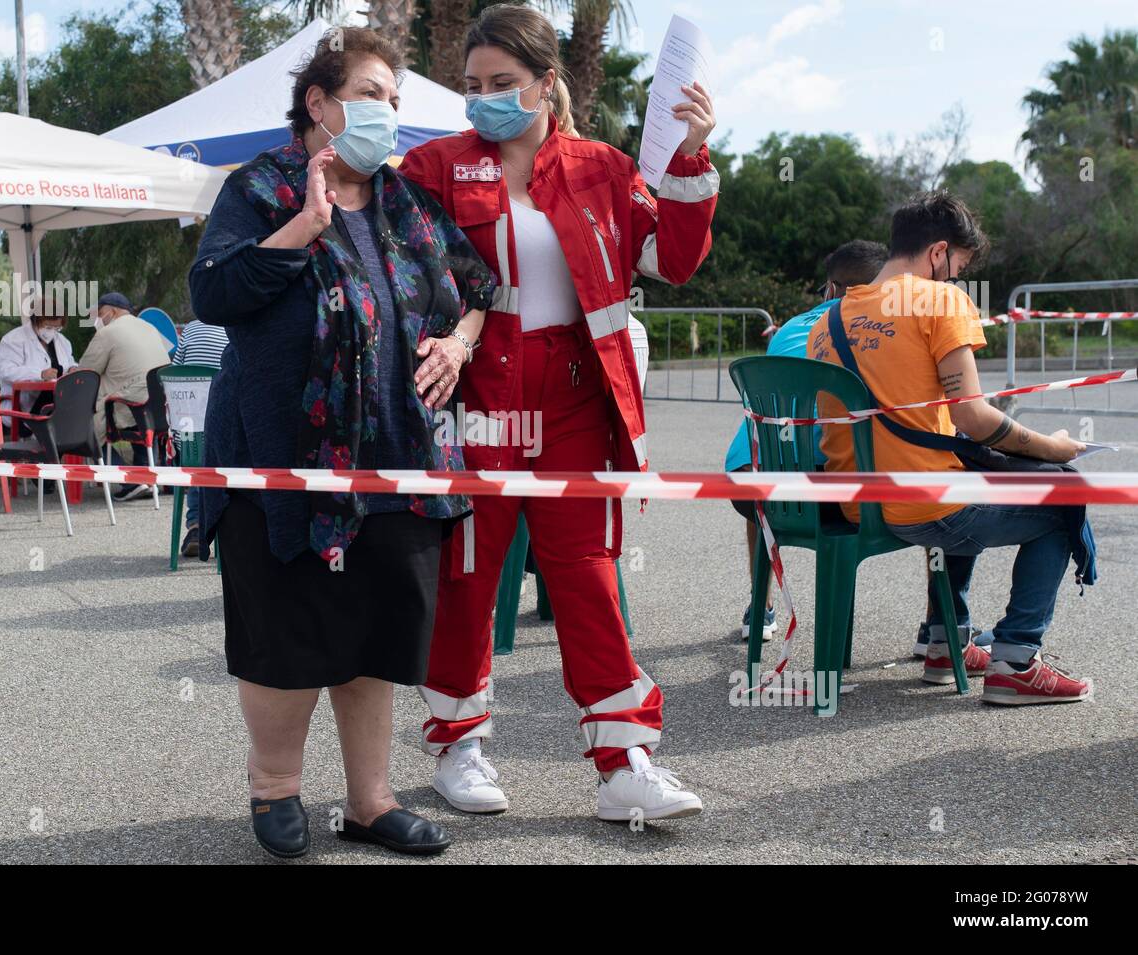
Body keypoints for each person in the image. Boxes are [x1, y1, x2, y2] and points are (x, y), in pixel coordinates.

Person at [399, 3, 717, 821]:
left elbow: (672, 260)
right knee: (471, 568)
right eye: (472, 86)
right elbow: (399, 274)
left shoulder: (602, 168)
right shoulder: (435, 167)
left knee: (588, 575)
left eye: (503, 83)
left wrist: (690, 156)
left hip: (576, 396)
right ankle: (458, 743)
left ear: (548, 84)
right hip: (481, 396)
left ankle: (625, 762)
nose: (485, 99)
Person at [188, 27, 496, 859]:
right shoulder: (260, 187)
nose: (386, 112)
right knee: (285, 633)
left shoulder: (404, 201)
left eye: (393, 99)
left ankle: (371, 800)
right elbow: (213, 292)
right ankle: (275, 786)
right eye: (369, 94)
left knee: (374, 631)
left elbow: (477, 285)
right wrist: (302, 228)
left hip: (397, 456)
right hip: (282, 456)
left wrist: (460, 342)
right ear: (319, 105)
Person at [807, 191, 1094, 704]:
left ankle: (947, 643)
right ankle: (1016, 660)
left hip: (855, 504)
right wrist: (1053, 448)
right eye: (957, 267)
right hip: (924, 507)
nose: (956, 280)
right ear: (939, 253)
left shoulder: (826, 321)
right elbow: (973, 417)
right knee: (1062, 502)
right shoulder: (940, 301)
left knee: (959, 471)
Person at [725, 240, 888, 642]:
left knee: (763, 470)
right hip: (834, 488)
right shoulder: (881, 329)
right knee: (935, 488)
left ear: (830, 288)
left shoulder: (788, 330)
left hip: (754, 485)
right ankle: (940, 628)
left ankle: (760, 610)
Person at [78, 292, 172, 501]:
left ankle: (131, 481)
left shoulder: (107, 333)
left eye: (101, 314)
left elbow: (85, 372)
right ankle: (145, 478)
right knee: (135, 417)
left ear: (111, 311)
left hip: (128, 405)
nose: (99, 320)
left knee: (88, 428)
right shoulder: (149, 328)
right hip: (157, 408)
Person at [170, 316, 229, 558]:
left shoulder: (191, 329)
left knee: (195, 457)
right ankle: (227, 529)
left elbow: (173, 373)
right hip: (223, 429)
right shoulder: (233, 328)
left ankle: (195, 525)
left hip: (188, 429)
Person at [0, 300, 78, 414]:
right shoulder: (13, 340)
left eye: (57, 328)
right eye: (48, 327)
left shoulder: (62, 341)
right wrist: (40, 374)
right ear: (35, 320)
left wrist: (72, 369)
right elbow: (6, 371)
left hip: (55, 404)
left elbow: (69, 362)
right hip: (24, 406)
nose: (52, 332)